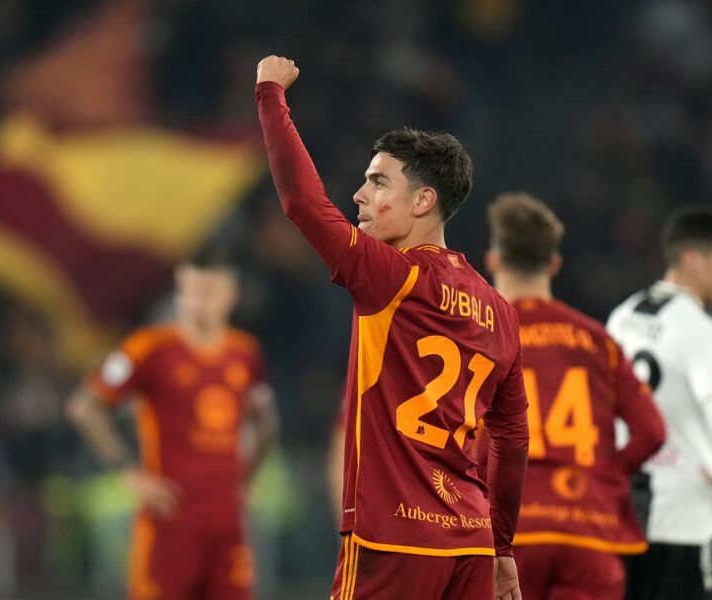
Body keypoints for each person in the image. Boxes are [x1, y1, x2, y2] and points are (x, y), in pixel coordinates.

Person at [256, 56, 530, 600]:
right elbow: (512, 441)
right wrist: (502, 549)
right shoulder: (501, 311)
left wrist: (269, 94)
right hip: (470, 545)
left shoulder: (393, 278)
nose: (359, 195)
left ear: (424, 201)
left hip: (394, 540)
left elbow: (302, 204)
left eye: (378, 182)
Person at [66, 251, 279, 600]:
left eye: (207, 291)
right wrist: (130, 472)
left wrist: (248, 477)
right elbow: (84, 407)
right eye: (190, 291)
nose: (197, 302)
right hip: (169, 521)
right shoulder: (150, 348)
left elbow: (267, 423)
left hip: (227, 524)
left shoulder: (245, 354)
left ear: (230, 296)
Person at [484, 192, 666, 600]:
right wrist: (608, 476)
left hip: (511, 534)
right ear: (554, 264)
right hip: (588, 525)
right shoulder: (596, 340)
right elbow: (652, 430)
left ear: (493, 260)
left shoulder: (481, 337)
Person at [607, 205, 712, 600]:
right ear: (692, 259)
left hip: (621, 522)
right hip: (687, 525)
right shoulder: (704, 332)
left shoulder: (620, 318)